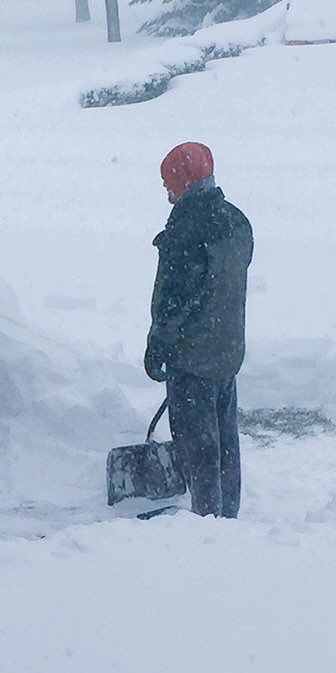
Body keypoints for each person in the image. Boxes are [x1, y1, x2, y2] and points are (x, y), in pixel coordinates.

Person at [144, 142, 253, 518]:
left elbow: (175, 298)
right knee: (225, 446)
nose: (166, 191)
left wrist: (158, 345)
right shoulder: (235, 220)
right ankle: (228, 517)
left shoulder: (187, 229)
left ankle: (207, 527)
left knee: (198, 449)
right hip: (226, 352)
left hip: (191, 360)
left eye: (167, 181)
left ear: (183, 179)